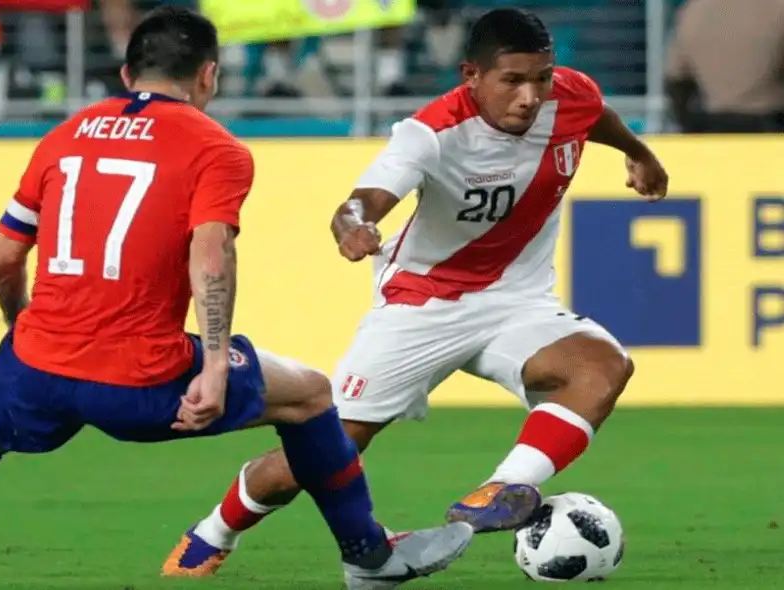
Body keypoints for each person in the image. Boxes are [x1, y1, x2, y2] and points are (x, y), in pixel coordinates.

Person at [0, 7, 474, 590]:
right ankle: (367, 556)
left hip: (42, 365)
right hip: (141, 376)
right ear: (209, 76)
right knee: (308, 394)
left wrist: (16, 333)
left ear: (128, 70)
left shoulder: (67, 135)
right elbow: (211, 252)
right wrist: (215, 363)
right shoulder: (216, 149)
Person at [161, 7, 669, 577]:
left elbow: (595, 115)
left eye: (541, 78)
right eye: (512, 81)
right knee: (329, 450)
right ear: (470, 75)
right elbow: (363, 200)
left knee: (602, 366)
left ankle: (504, 489)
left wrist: (640, 153)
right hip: (422, 306)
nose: (530, 96)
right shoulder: (429, 134)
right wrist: (353, 224)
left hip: (516, 300)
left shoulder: (568, 96)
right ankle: (212, 532)